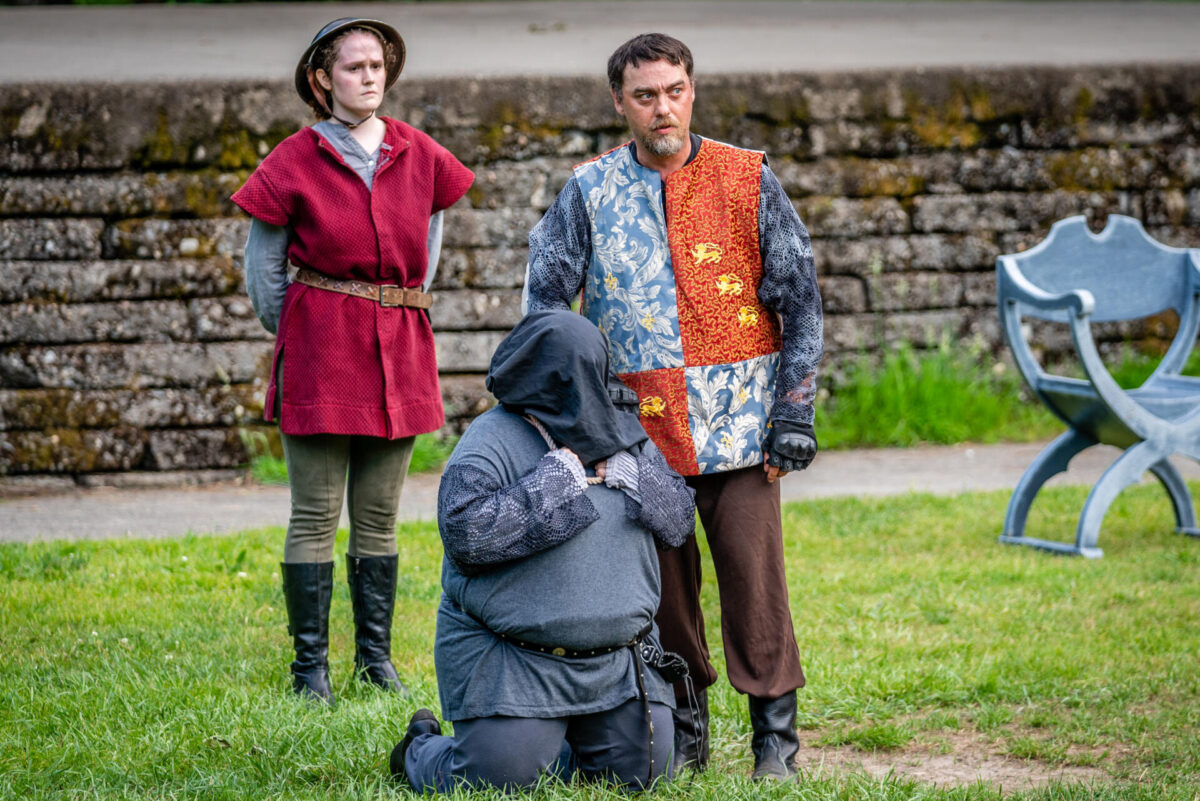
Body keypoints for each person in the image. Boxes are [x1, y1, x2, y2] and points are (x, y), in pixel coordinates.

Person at [523, 33, 823, 780]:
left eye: (676, 89)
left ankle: (775, 741)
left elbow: (802, 299)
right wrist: (581, 420)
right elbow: (544, 312)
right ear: (620, 102)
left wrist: (795, 409)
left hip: (743, 427)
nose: (665, 107)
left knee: (756, 583)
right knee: (663, 596)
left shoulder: (747, 177)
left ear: (693, 89)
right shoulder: (588, 191)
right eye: (647, 95)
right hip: (639, 436)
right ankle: (685, 733)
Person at [230, 17, 474, 703]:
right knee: (313, 514)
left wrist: (392, 308)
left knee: (378, 518)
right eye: (354, 68)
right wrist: (311, 334)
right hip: (319, 353)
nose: (369, 77)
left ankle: (375, 659)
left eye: (377, 66)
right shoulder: (292, 161)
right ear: (321, 79)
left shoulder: (420, 154)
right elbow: (263, 276)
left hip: (399, 351)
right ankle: (310, 669)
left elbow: (427, 254)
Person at [390, 311, 697, 793]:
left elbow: (679, 522)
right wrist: (549, 485)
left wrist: (641, 480)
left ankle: (557, 743)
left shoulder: (626, 437)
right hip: (513, 661)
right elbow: (465, 538)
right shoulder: (490, 440)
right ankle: (420, 747)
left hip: (617, 663)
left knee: (646, 773)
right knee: (499, 781)